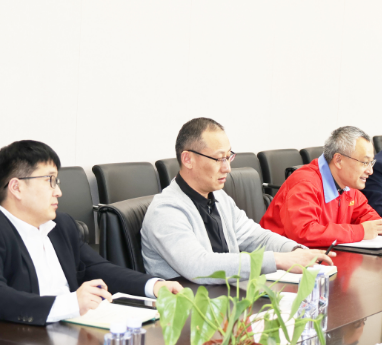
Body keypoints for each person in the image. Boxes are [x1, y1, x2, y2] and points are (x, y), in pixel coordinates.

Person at [0, 140, 182, 327]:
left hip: (67, 333)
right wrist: (71, 303)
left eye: (57, 181)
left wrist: (154, 286)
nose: (58, 191)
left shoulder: (61, 224)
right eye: (49, 181)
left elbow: (97, 268)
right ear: (16, 187)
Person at [141, 118, 333, 285]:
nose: (227, 168)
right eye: (219, 159)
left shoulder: (219, 197)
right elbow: (199, 266)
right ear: (188, 159)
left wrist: (296, 251)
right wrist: (278, 260)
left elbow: (257, 238)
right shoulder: (165, 210)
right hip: (190, 309)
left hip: (227, 298)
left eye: (228, 157)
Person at [260, 126, 382, 248]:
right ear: (339, 160)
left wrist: (380, 225)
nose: (370, 171)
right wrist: (361, 231)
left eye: (371, 163)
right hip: (279, 263)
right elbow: (304, 233)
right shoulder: (305, 183)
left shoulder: (347, 185)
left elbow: (363, 213)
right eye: (365, 163)